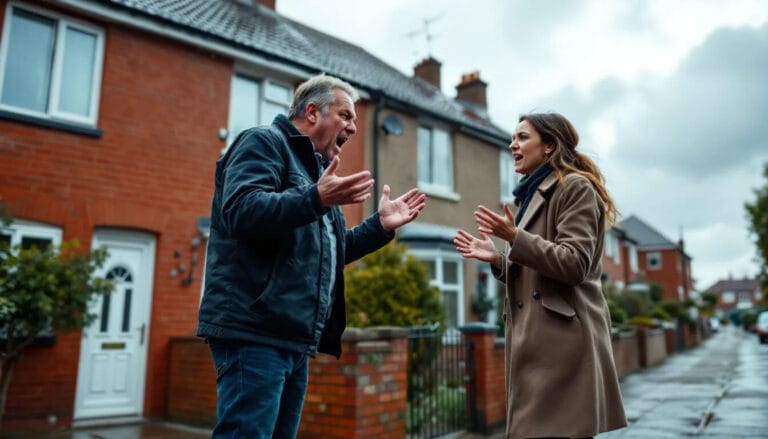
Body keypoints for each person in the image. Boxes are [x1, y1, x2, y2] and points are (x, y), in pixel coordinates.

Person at [197, 74, 426, 439]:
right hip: (254, 331)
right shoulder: (263, 142)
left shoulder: (315, 175)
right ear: (312, 111)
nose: (353, 127)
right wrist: (314, 198)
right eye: (346, 115)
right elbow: (241, 209)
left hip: (292, 338)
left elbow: (330, 252)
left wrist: (379, 226)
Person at [453, 113, 627, 438]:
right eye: (513, 138)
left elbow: (575, 263)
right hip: (539, 347)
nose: (512, 145)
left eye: (522, 137)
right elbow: (537, 270)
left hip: (563, 348)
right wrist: (499, 261)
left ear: (549, 145)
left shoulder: (575, 187)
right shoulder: (532, 194)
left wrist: (515, 238)